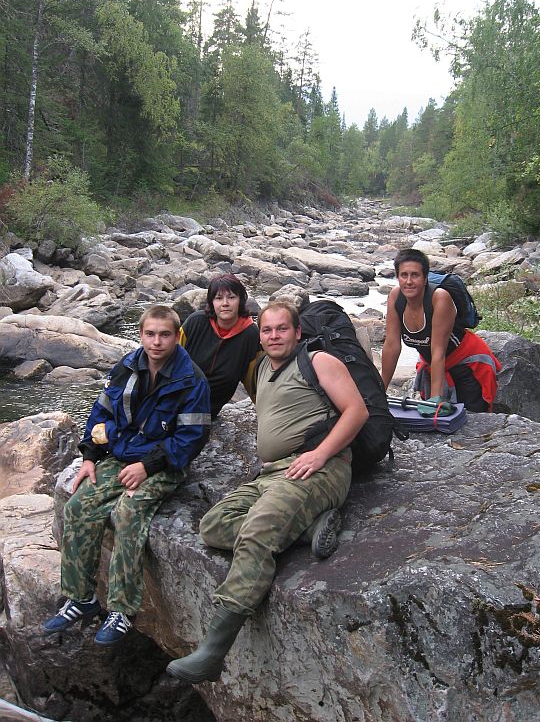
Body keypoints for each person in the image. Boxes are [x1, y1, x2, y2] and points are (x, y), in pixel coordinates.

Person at [165, 301, 368, 684]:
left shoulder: (319, 361)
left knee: (258, 531)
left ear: (297, 332)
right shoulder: (261, 369)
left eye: (282, 329)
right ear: (260, 336)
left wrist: (321, 454)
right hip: (273, 473)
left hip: (320, 467)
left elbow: (357, 411)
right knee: (213, 525)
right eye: (267, 330)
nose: (274, 336)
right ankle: (307, 529)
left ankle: (213, 651)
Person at [43, 305, 211, 645]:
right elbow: (101, 412)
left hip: (165, 463)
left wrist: (148, 466)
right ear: (141, 334)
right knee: (78, 507)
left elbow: (192, 438)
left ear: (177, 336)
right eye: (150, 334)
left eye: (165, 335)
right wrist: (90, 455)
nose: (157, 342)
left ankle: (122, 609)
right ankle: (81, 598)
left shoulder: (192, 380)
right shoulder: (126, 367)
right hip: (121, 455)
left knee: (127, 512)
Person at [381, 248, 501, 412]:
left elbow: (438, 351)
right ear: (397, 277)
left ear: (425, 278)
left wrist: (434, 401)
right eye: (404, 275)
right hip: (433, 365)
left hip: (467, 364)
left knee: (470, 417)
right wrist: (379, 391)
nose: (408, 281)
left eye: (415, 275)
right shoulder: (396, 297)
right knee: (430, 419)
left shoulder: (439, 298)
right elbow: (391, 346)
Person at [179, 273, 260, 418]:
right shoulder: (195, 322)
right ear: (212, 302)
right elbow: (168, 355)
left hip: (206, 412)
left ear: (240, 300)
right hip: (174, 399)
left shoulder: (250, 334)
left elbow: (254, 382)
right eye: (218, 298)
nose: (225, 303)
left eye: (231, 297)